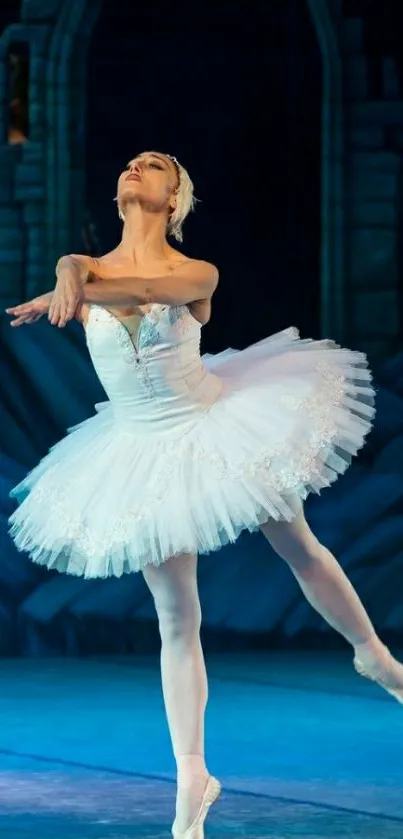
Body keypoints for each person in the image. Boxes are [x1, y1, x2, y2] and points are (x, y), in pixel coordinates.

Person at [6, 151, 403, 839]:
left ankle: (372, 653)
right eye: (129, 163)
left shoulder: (196, 273)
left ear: (173, 199)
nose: (134, 166)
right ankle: (193, 774)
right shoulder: (88, 267)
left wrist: (72, 276)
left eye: (153, 165)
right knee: (173, 614)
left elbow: (136, 295)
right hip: (136, 447)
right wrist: (72, 267)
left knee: (298, 546)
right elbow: (96, 278)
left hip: (216, 423)